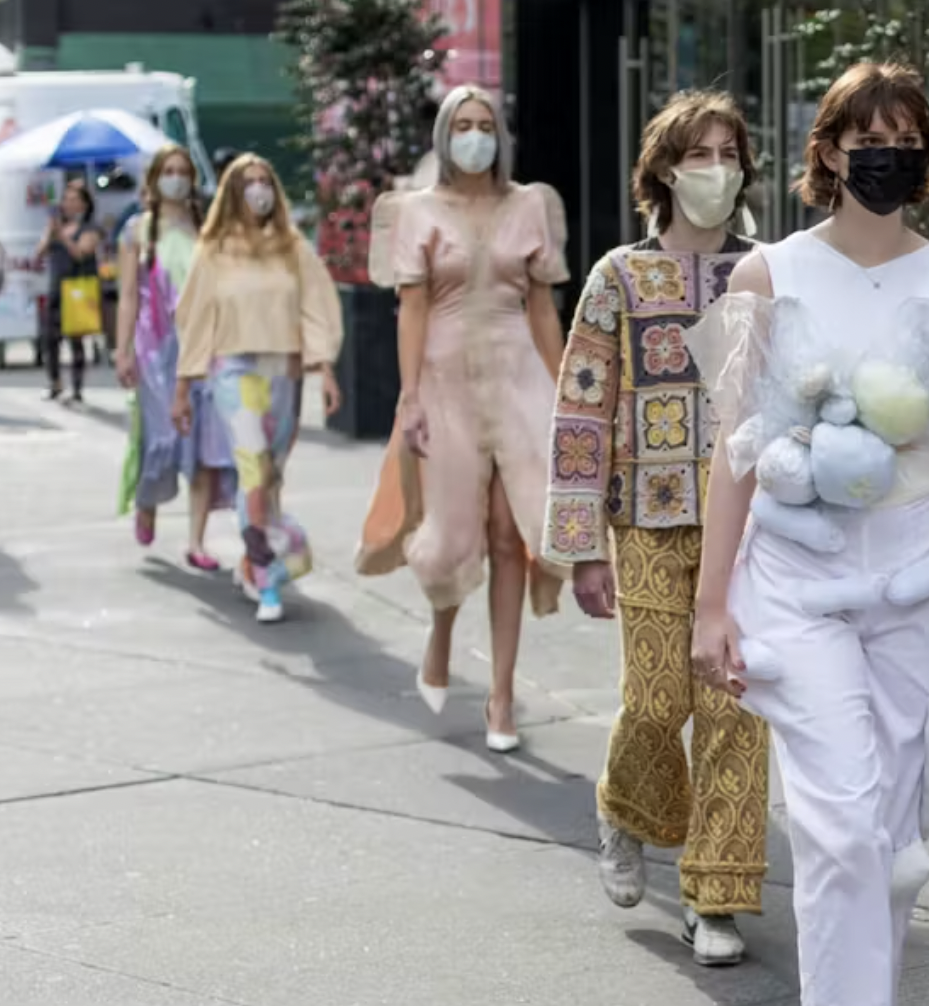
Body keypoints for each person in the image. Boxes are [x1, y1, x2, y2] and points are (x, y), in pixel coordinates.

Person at [684, 62, 929, 1003]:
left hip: (918, 568)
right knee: (841, 825)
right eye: (869, 143)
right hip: (795, 572)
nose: (887, 159)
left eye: (906, 144)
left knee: (892, 835)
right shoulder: (765, 274)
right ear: (827, 153)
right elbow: (734, 448)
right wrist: (710, 605)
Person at [541, 89, 768, 967]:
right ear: (665, 171)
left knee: (735, 708)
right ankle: (625, 806)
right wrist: (581, 548)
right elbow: (581, 411)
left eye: (729, 153)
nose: (718, 169)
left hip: (749, 529)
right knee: (658, 700)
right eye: (699, 154)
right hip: (645, 518)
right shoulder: (618, 277)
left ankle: (717, 897)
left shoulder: (768, 271)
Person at [356, 84, 570, 753]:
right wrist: (409, 396)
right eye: (463, 125)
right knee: (452, 538)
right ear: (444, 135)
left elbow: (542, 307)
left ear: (500, 136)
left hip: (519, 378)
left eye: (485, 125)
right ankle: (442, 633)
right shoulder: (415, 210)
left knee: (512, 535)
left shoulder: (531, 204)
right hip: (445, 381)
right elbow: (413, 308)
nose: (475, 136)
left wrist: (570, 392)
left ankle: (501, 696)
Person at [173, 154, 343, 624]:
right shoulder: (213, 249)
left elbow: (317, 306)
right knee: (253, 470)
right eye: (248, 182)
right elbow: (194, 318)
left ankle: (252, 560)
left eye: (264, 180)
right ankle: (268, 577)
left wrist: (325, 367)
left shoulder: (292, 246)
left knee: (271, 476)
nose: (257, 190)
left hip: (284, 372)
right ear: (232, 191)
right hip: (233, 370)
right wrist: (184, 387)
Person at [114, 144, 235, 568]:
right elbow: (128, 296)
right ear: (154, 179)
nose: (176, 179)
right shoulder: (137, 231)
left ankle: (197, 541)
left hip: (203, 348)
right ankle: (146, 500)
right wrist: (123, 350)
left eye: (182, 171)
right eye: (168, 171)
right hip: (154, 349)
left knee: (203, 445)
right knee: (161, 439)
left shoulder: (207, 229)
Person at [37, 179, 103, 405]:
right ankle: (55, 382)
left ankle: (77, 388)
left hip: (77, 291)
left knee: (76, 341)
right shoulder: (57, 227)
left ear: (84, 204)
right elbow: (40, 253)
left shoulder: (90, 229)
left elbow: (81, 253)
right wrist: (50, 233)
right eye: (66, 199)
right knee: (49, 339)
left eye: (74, 200)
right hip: (56, 288)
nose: (68, 204)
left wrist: (63, 236)